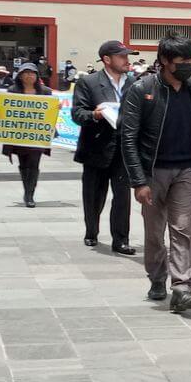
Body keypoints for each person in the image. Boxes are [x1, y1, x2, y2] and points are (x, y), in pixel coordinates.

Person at [120, 32, 191, 313]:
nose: (188, 65)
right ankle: (156, 277)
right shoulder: (141, 90)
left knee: (183, 229)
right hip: (153, 172)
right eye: (182, 59)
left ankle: (182, 288)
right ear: (164, 60)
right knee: (154, 232)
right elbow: (128, 137)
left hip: (187, 170)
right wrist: (139, 181)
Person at [71, 41, 137, 255]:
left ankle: (121, 240)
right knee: (93, 195)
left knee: (122, 197)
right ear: (107, 59)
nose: (127, 60)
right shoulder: (88, 83)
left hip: (123, 150)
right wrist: (95, 115)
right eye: (122, 56)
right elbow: (77, 114)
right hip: (96, 148)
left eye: (128, 56)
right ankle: (91, 231)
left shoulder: (134, 83)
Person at [0, 63, 53, 207]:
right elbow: (5, 109)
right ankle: (26, 189)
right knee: (23, 164)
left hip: (38, 136)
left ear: (37, 76)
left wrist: (56, 107)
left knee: (34, 163)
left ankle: (30, 194)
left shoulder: (46, 92)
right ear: (20, 76)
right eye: (26, 73)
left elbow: (50, 112)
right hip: (19, 136)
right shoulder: (13, 90)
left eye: (32, 73)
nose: (29, 75)